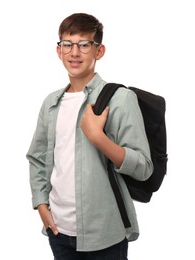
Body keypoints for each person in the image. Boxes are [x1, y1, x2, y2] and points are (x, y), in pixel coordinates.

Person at [26, 12, 153, 260]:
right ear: (58, 50)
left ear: (99, 51)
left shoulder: (120, 99)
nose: (75, 53)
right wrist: (41, 205)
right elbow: (37, 159)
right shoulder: (51, 103)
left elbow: (144, 167)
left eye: (84, 45)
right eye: (67, 44)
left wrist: (99, 139)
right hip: (58, 231)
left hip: (105, 234)